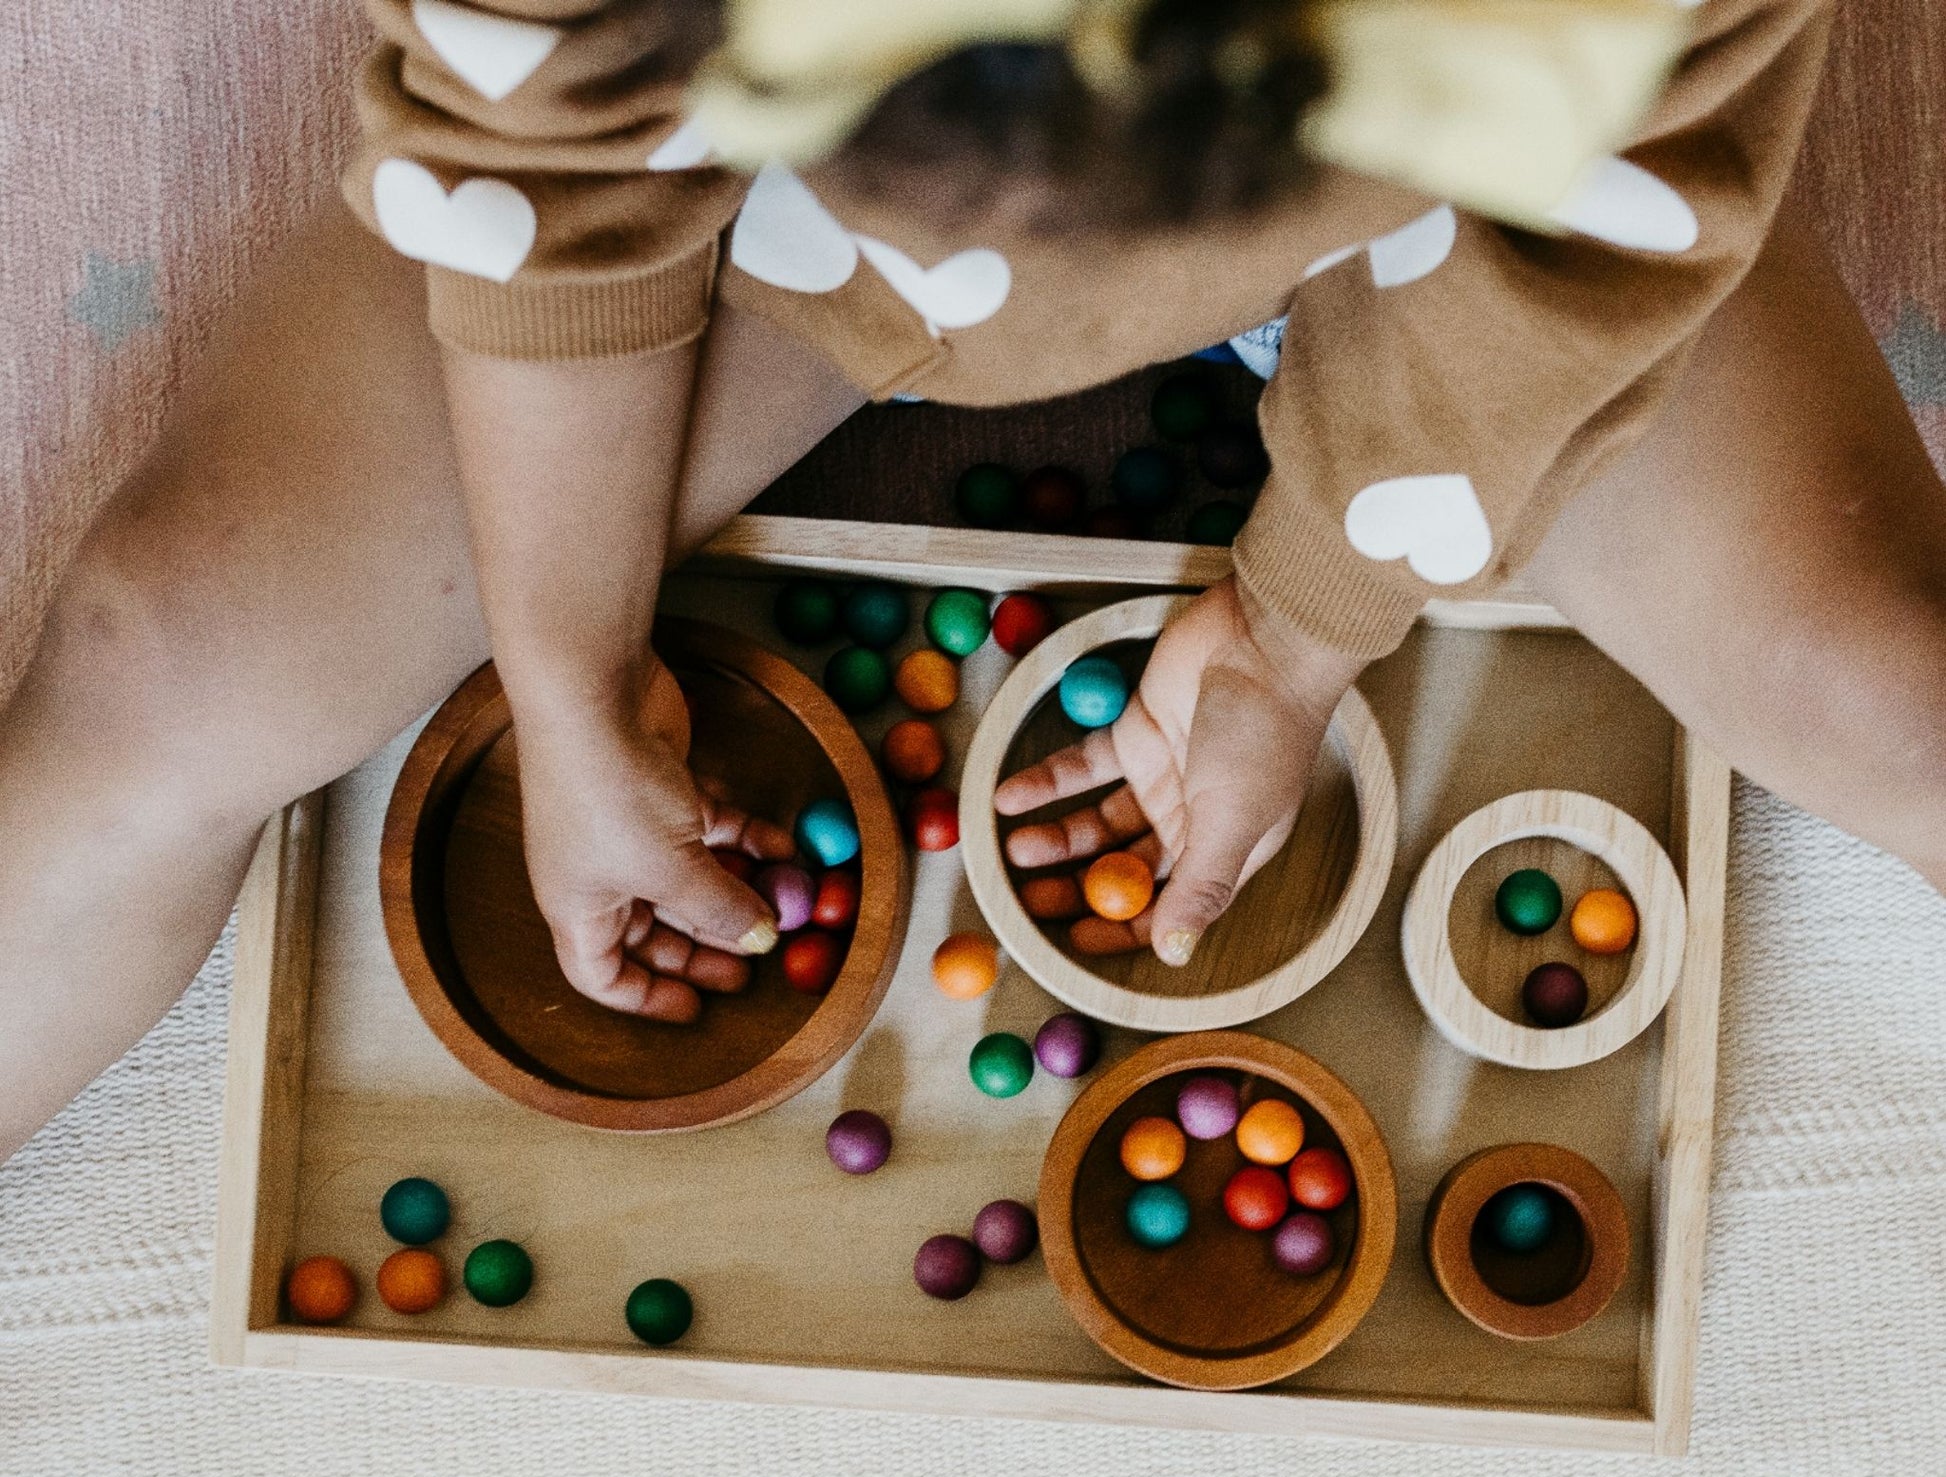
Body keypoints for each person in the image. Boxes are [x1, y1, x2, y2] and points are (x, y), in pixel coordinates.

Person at [2, 0, 1942, 1165]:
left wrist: (1298, 628)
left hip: (1439, 232)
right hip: (782, 241)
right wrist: (564, 657)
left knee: (1891, 692)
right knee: (164, 664)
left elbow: (1587, 241)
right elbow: (550, 160)